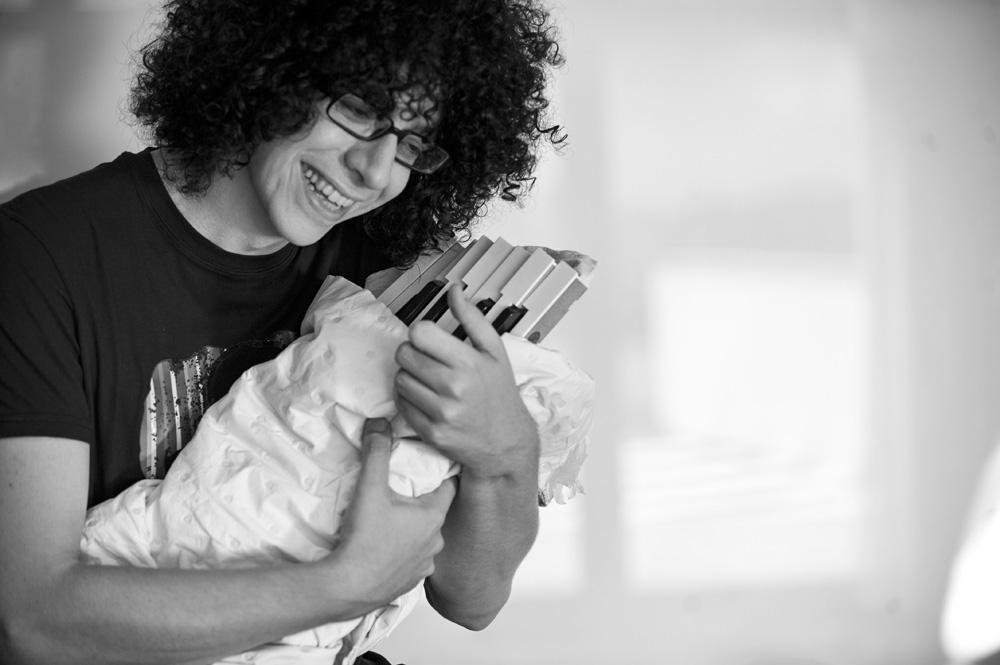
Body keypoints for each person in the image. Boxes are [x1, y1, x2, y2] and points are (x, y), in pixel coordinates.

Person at [0, 1, 567, 664]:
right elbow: (32, 621)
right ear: (270, 69)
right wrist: (342, 586)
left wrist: (505, 451)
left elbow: (471, 599)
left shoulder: (381, 278)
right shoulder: (41, 256)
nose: (375, 171)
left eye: (411, 145)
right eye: (360, 110)